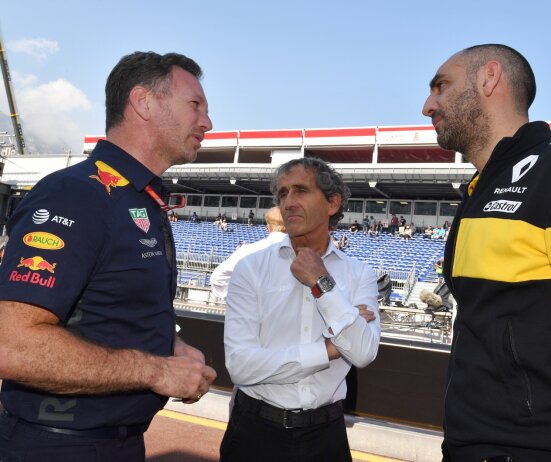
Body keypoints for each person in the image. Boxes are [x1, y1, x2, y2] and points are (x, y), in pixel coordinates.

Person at [0, 51, 217, 461]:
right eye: (195, 105)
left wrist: (169, 345)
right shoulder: (77, 194)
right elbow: (11, 344)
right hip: (56, 446)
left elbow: (105, 307)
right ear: (143, 102)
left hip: (114, 443)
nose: (207, 122)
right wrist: (157, 370)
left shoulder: (138, 199)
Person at [422, 43, 551, 461]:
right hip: (466, 446)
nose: (428, 105)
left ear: (489, 77)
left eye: (441, 86)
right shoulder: (479, 189)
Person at [220, 157, 381, 462]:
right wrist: (330, 349)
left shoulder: (360, 274)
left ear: (332, 203)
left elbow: (363, 352)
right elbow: (241, 366)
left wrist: (321, 282)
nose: (288, 202)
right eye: (282, 194)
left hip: (326, 437)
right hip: (254, 433)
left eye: (301, 191)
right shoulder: (250, 269)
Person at [210, 207, 286, 299]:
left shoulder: (248, 251)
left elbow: (218, 278)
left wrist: (245, 301)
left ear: (268, 228)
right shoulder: (304, 254)